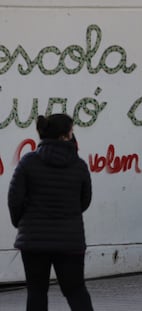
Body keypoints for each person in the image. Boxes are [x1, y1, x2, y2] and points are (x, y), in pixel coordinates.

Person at [7, 114, 94, 311]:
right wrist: (68, 214)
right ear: (65, 136)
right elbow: (85, 201)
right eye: (72, 131)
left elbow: (14, 199)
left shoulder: (28, 162)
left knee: (36, 292)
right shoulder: (79, 166)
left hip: (34, 240)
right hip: (70, 241)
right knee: (76, 290)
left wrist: (22, 224)